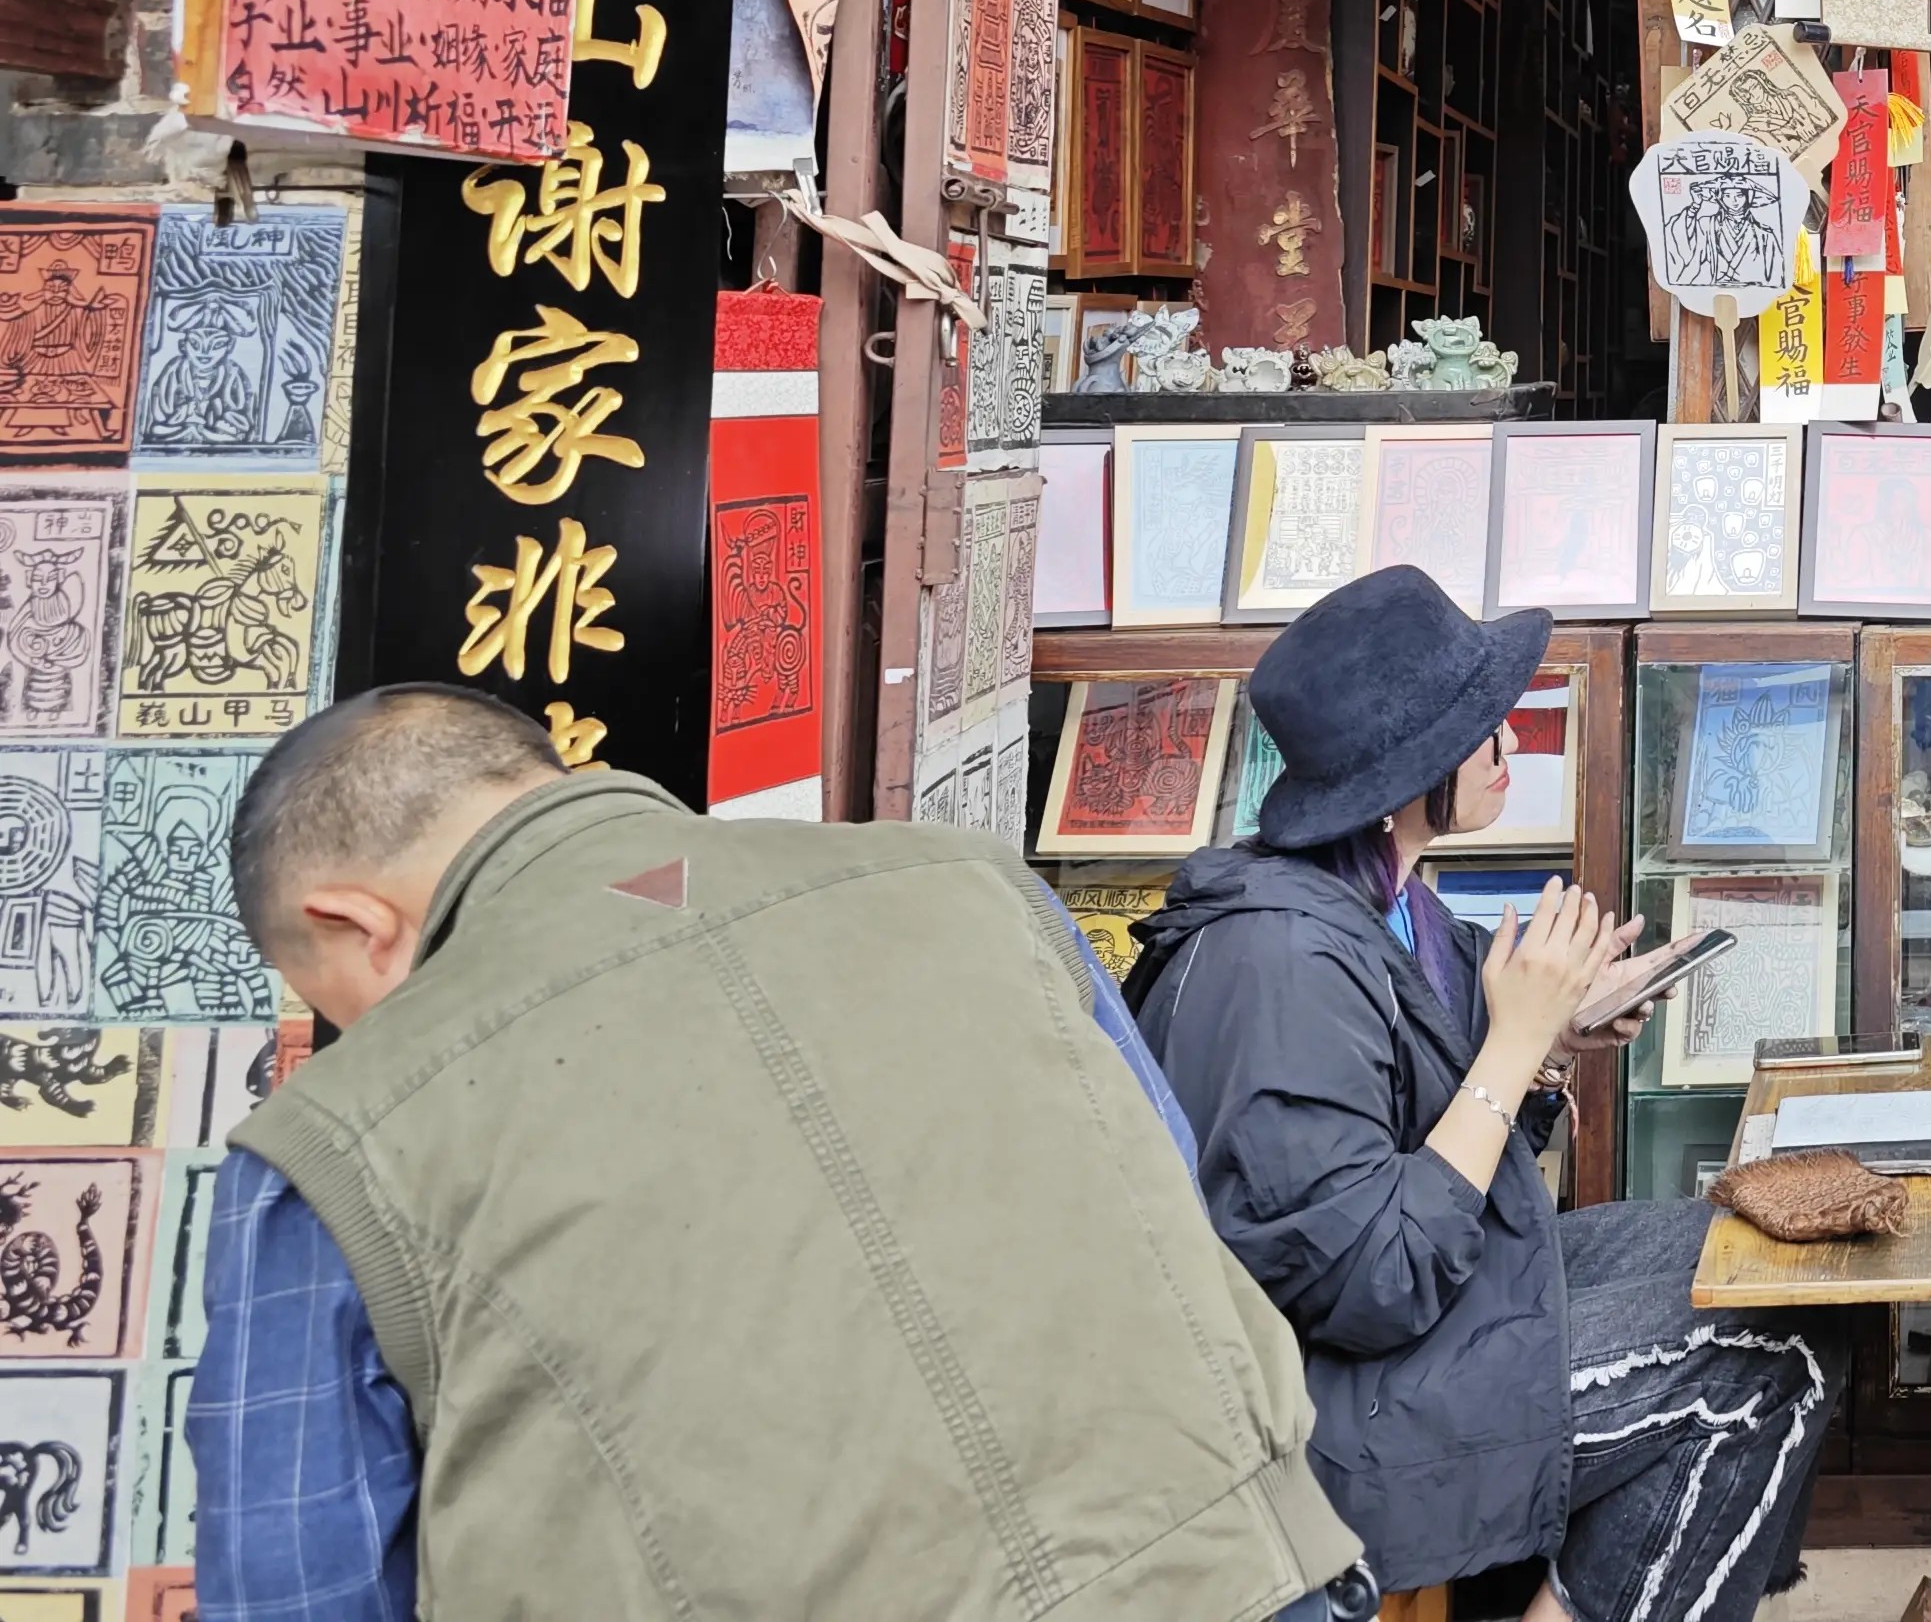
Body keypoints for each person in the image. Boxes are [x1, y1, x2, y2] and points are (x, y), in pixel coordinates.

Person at [200, 683, 1357, 1622]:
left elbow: (296, 1582)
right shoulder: (969, 884)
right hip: (1239, 1581)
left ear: (353, 922)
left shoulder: (336, 1134)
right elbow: (1164, 1192)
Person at [1131, 571, 1840, 1622]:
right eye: (1478, 727)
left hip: (1429, 1318)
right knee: (1764, 1354)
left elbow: (1457, 1128)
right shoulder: (1277, 966)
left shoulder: (1387, 909)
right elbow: (1372, 1281)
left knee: (1772, 1269)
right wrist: (1516, 1041)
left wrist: (1555, 1035)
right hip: (1338, 1411)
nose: (1510, 741)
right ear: (1406, 776)